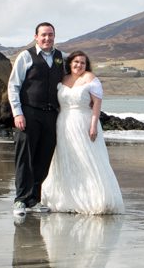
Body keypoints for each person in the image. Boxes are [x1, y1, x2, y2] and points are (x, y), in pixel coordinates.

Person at [39, 50, 124, 214]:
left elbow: (97, 103)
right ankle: (67, 199)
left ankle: (95, 199)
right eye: (76, 62)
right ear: (70, 63)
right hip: (63, 123)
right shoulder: (63, 79)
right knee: (67, 158)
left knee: (87, 159)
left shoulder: (90, 79)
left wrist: (93, 125)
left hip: (84, 123)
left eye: (83, 63)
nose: (79, 65)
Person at [8, 22, 64, 214]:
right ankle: (20, 200)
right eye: (43, 35)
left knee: (44, 157)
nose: (47, 38)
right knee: (25, 157)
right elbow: (13, 86)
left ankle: (35, 199)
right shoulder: (26, 56)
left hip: (51, 115)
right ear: (36, 37)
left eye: (51, 35)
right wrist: (17, 113)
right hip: (29, 112)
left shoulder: (60, 57)